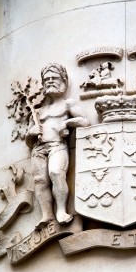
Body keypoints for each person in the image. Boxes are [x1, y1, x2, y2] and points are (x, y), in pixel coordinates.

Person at [26, 63, 89, 229]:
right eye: (46, 79)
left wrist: (66, 123)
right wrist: (30, 133)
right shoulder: (39, 111)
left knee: (56, 173)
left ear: (64, 81)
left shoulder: (68, 104)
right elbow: (28, 141)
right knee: (40, 181)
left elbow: (84, 121)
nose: (50, 81)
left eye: (54, 78)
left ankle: (61, 210)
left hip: (57, 145)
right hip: (39, 149)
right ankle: (47, 214)